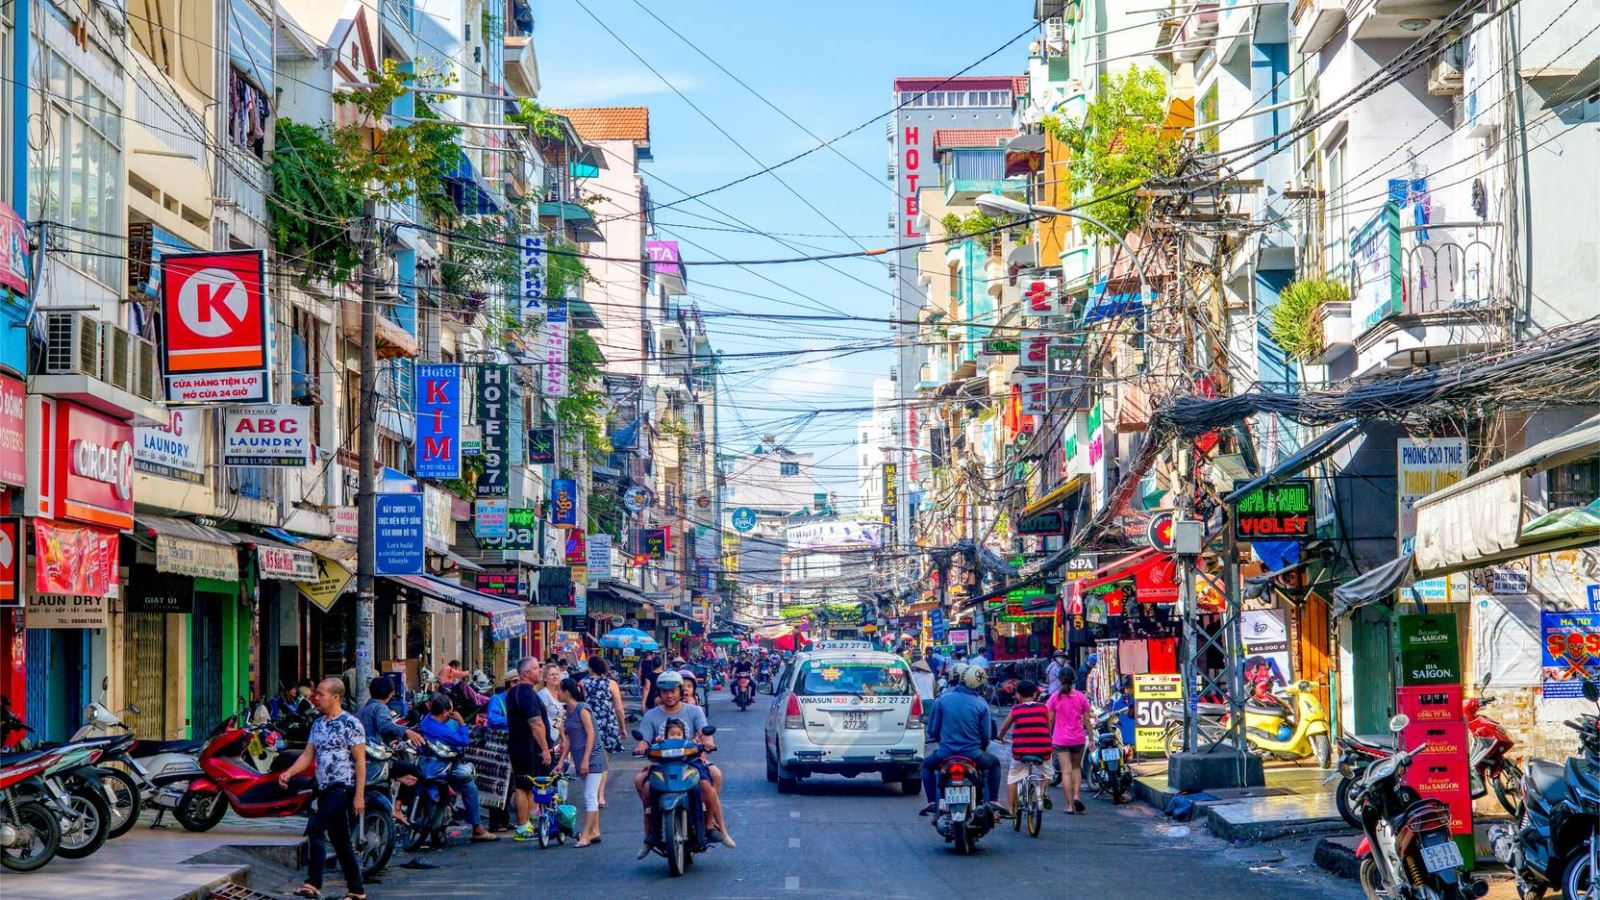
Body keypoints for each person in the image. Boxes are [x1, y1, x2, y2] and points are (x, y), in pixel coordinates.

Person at [278, 678, 366, 900]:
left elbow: (360, 761)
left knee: (315, 828)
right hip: (324, 787)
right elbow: (308, 755)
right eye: (316, 694)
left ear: (336, 697)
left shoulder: (351, 724)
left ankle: (313, 883)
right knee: (340, 840)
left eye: (321, 694)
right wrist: (289, 773)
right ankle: (357, 890)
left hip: (342, 786)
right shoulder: (318, 724)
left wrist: (359, 795)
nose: (316, 698)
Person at [632, 670, 735, 860]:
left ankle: (711, 826)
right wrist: (640, 747)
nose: (669, 695)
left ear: (681, 691)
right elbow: (643, 741)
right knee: (645, 787)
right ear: (659, 693)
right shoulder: (651, 715)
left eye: (673, 691)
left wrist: (708, 742)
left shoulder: (694, 711)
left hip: (691, 762)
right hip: (662, 764)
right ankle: (649, 834)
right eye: (664, 692)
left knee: (707, 783)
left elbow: (705, 733)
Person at [919, 665, 1005, 819]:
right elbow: (986, 735)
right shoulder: (981, 704)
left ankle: (932, 801)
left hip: (945, 753)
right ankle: (993, 800)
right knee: (994, 764)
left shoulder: (942, 700)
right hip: (973, 754)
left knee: (926, 765)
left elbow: (932, 730)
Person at [416, 696, 499, 842]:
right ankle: (477, 828)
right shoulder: (441, 729)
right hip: (441, 767)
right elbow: (463, 741)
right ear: (444, 712)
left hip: (427, 764)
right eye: (450, 710)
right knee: (469, 786)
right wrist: (461, 722)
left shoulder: (427, 721)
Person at [507, 657, 553, 842]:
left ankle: (527, 823)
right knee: (524, 786)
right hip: (527, 748)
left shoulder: (517, 692)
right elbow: (536, 724)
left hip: (521, 746)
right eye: (536, 668)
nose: (539, 670)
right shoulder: (525, 693)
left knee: (529, 786)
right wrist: (545, 749)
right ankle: (522, 826)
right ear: (526, 673)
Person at [556, 677, 605, 847]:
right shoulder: (568, 712)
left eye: (559, 690)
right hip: (579, 758)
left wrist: (585, 759)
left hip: (592, 758)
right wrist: (562, 760)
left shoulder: (582, 709)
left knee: (590, 796)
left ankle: (585, 835)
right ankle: (595, 831)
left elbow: (591, 734)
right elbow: (570, 738)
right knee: (589, 794)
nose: (557, 693)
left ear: (567, 692)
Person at [995, 680, 1054, 815]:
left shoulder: (1016, 710)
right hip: (1043, 750)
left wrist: (1000, 737)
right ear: (1035, 694)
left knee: (1013, 777)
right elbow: (1048, 726)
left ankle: (1010, 809)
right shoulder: (1043, 708)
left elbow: (1004, 728)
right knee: (1047, 773)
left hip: (1021, 752)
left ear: (1018, 695)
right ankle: (1043, 793)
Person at [1047, 666, 1094, 814]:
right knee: (1076, 769)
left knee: (1065, 772)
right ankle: (1077, 796)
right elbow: (1087, 720)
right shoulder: (1081, 697)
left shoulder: (1054, 697)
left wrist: (1048, 736)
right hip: (1078, 739)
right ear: (1074, 680)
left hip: (1060, 740)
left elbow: (1050, 719)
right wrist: (1091, 739)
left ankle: (1069, 806)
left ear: (1060, 680)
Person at [582, 657, 626, 806]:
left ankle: (592, 793)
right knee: (603, 761)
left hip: (588, 723)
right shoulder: (611, 683)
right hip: (607, 723)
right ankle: (600, 796)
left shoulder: (584, 683)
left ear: (590, 668)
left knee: (590, 758)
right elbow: (619, 708)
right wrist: (622, 727)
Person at [357, 676, 424, 748]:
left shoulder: (363, 709)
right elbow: (385, 726)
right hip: (374, 752)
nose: (393, 693)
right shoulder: (380, 707)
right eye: (392, 691)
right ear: (389, 694)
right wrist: (407, 731)